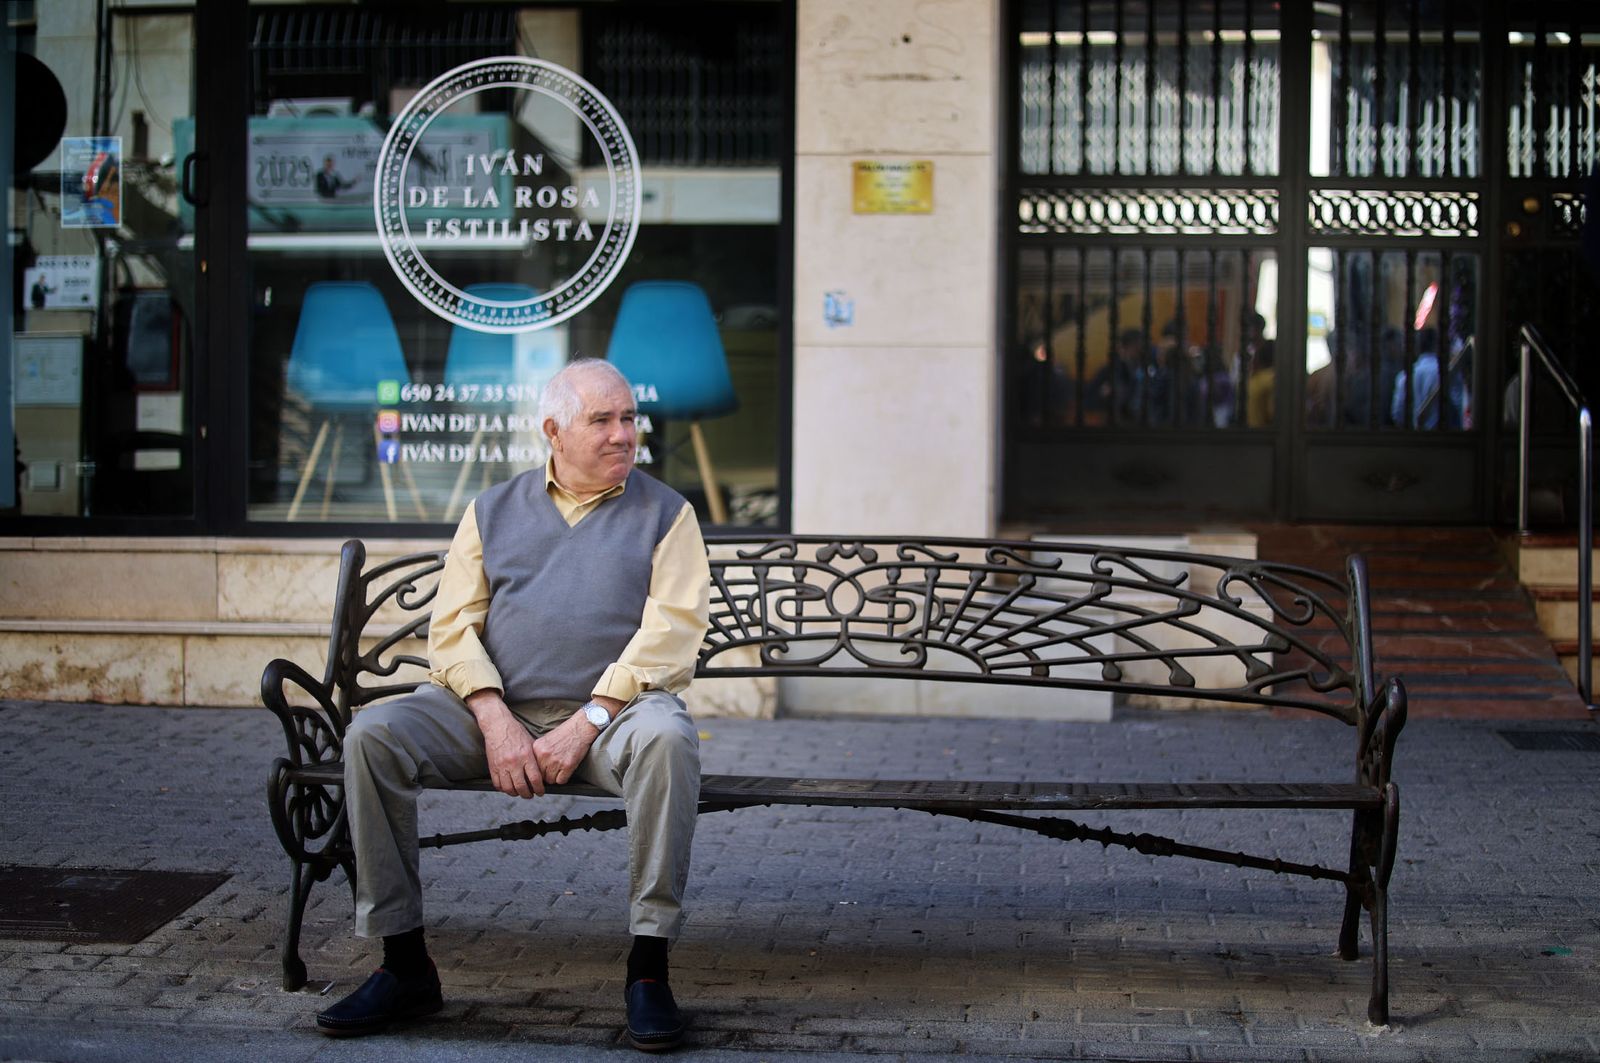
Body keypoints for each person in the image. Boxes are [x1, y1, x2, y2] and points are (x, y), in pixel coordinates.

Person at [314, 358, 711, 1051]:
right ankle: (405, 964)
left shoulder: (667, 514)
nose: (624, 435)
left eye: (629, 418)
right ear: (553, 430)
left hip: (611, 718)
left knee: (668, 738)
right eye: (603, 420)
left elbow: (672, 633)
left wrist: (589, 719)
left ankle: (648, 968)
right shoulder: (491, 510)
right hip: (492, 711)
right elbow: (453, 628)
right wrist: (494, 718)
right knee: (373, 735)